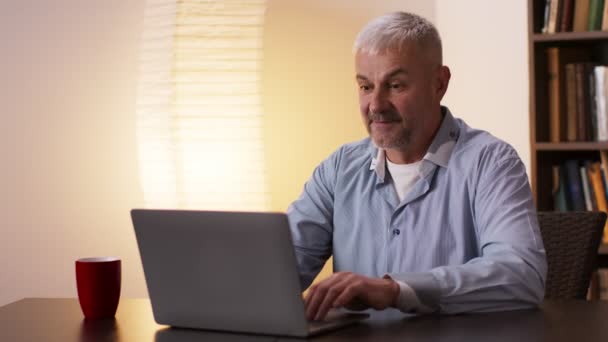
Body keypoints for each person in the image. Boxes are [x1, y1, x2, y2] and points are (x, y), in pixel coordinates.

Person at [287, 11, 547, 321]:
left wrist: (395, 290)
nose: (376, 105)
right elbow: (278, 271)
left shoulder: (491, 163)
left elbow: (522, 276)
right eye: (366, 87)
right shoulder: (339, 169)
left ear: (439, 83)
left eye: (395, 86)